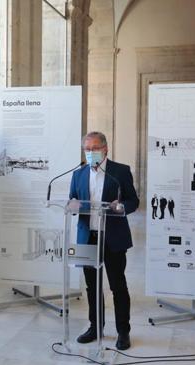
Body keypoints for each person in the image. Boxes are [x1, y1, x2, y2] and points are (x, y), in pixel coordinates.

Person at [69, 131, 139, 350]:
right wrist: (71, 206)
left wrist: (122, 207)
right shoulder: (78, 173)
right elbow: (73, 199)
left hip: (113, 238)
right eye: (87, 149)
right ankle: (95, 327)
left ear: (105, 149)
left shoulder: (120, 171)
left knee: (118, 285)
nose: (91, 153)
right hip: (87, 237)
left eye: (95, 149)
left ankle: (123, 331)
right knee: (92, 286)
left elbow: (133, 201)